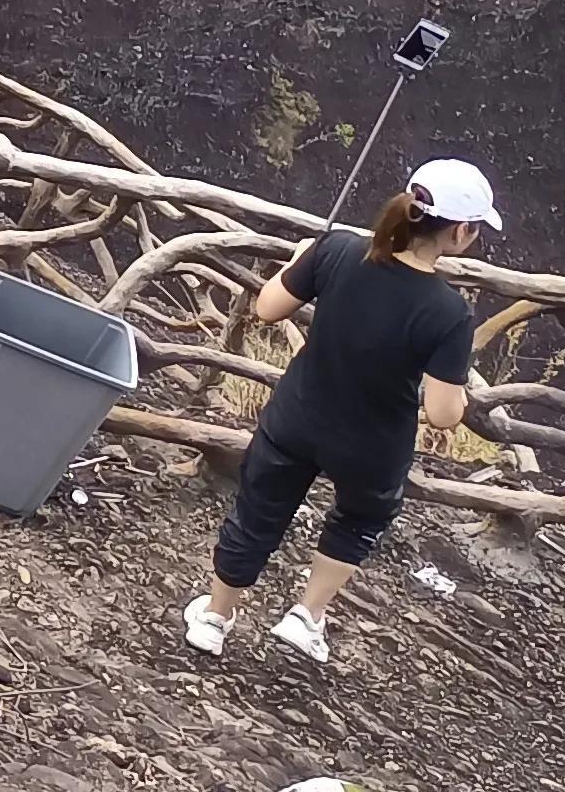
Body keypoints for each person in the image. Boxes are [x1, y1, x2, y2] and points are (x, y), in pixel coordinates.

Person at [183, 158, 498, 671]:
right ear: (460, 232)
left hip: (297, 416)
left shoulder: (341, 249)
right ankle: (306, 618)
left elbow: (267, 308)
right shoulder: (448, 312)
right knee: (359, 519)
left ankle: (214, 619)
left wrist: (302, 259)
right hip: (371, 443)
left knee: (258, 511)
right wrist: (462, 398)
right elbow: (443, 414)